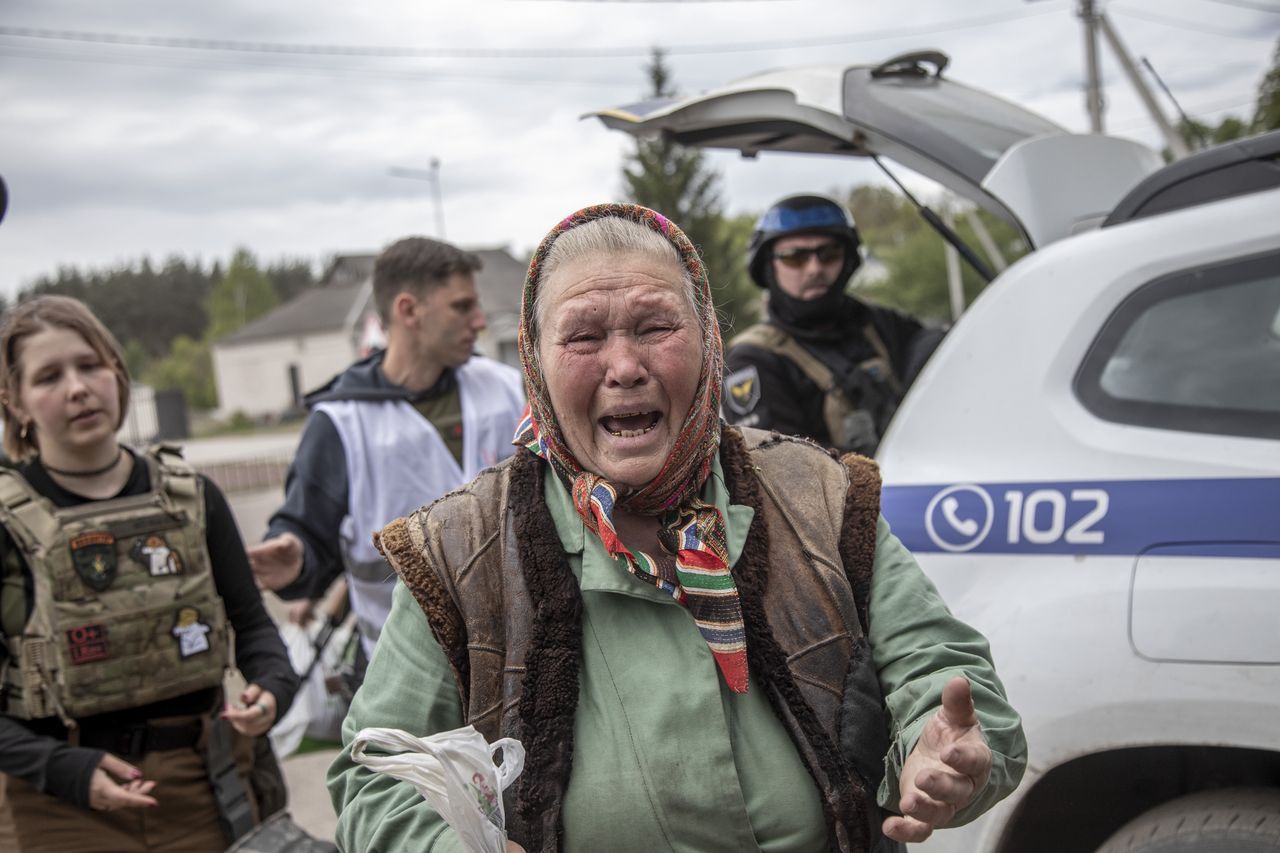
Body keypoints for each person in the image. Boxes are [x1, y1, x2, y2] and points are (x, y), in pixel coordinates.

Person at [328, 204, 1026, 852]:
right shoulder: (460, 550)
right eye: (584, 336)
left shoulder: (820, 497)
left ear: (710, 338)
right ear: (535, 361)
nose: (625, 367)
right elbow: (376, 776)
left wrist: (946, 752)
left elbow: (946, 679)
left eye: (656, 326)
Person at [0, 295, 299, 852]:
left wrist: (273, 690)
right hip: (55, 807)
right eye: (49, 377)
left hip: (202, 786)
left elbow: (255, 628)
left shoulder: (192, 497)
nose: (77, 388)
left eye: (90, 365)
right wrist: (64, 768)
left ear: (117, 371)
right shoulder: (5, 522)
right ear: (14, 404)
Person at [248, 236, 526, 666]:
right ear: (408, 310)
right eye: (461, 306)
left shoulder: (505, 387)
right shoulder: (341, 423)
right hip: (403, 674)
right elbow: (307, 537)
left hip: (517, 655)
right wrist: (296, 561)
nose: (479, 322)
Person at [723, 193, 944, 456]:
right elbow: (780, 468)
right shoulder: (754, 359)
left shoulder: (883, 325)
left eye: (828, 254)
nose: (815, 268)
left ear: (848, 260)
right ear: (768, 266)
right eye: (795, 257)